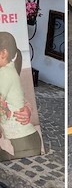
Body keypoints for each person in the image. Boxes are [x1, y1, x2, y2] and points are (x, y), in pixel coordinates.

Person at [0, 32, 42, 161]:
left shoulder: (5, 73)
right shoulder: (8, 70)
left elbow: (20, 98)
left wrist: (28, 108)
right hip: (23, 140)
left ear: (3, 53)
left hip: (23, 141)